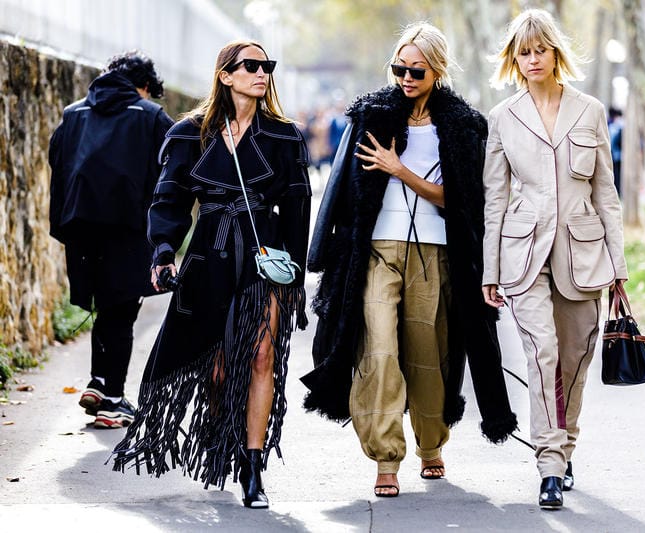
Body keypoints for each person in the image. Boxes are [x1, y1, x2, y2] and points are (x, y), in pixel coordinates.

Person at [301, 22, 517, 498]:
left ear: (436, 69)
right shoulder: (371, 114)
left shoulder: (462, 126)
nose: (405, 76)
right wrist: (321, 255)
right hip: (377, 250)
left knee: (429, 355)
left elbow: (465, 201)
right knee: (378, 350)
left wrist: (400, 170)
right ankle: (385, 456)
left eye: (415, 69)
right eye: (399, 67)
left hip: (435, 253)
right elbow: (341, 188)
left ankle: (431, 444)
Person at [111, 40, 311, 509]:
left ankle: (253, 464)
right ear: (225, 75)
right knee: (217, 368)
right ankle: (229, 433)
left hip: (265, 257)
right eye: (251, 66)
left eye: (267, 66)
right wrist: (163, 250)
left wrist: (295, 274)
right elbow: (168, 201)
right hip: (208, 256)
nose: (262, 73)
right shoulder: (188, 134)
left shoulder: (284, 136)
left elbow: (299, 207)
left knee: (262, 356)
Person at [481, 9, 627, 509]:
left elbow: (606, 192)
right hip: (522, 255)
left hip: (583, 255)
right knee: (541, 353)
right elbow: (494, 199)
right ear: (513, 59)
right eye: (523, 52)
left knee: (572, 362)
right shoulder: (503, 118)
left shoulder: (589, 111)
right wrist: (489, 269)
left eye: (540, 49)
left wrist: (619, 266)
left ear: (555, 52)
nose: (532, 59)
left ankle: (564, 447)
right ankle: (548, 464)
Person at [48, 51, 174, 429]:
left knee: (106, 306)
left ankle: (100, 382)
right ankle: (113, 401)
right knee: (122, 310)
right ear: (145, 86)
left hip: (81, 227)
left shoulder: (73, 114)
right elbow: (176, 163)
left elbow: (58, 161)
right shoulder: (149, 115)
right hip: (129, 228)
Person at [607, 107, 623, 195]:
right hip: (617, 155)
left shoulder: (610, 124)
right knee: (617, 175)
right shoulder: (618, 125)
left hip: (613, 154)